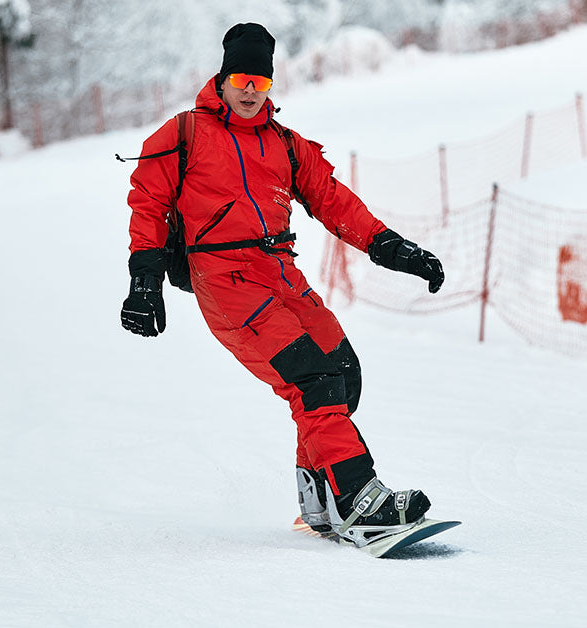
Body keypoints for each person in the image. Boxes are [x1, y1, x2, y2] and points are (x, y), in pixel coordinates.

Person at [120, 23, 445, 546]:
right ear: (223, 79)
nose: (251, 90)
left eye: (261, 82)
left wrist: (393, 248)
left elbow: (335, 202)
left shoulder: (286, 146)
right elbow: (149, 204)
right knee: (313, 378)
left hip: (280, 274)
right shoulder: (184, 135)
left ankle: (319, 498)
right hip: (225, 282)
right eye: (242, 79)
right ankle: (360, 499)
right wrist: (144, 282)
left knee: (342, 371)